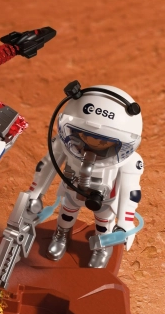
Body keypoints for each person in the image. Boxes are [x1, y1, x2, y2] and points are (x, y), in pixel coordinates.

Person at [27, 84, 143, 268]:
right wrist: (35, 193)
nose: (93, 143)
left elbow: (131, 191)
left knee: (104, 224)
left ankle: (102, 248)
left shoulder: (129, 160)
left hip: (105, 199)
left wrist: (125, 221)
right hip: (72, 190)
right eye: (86, 135)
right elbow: (47, 165)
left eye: (104, 141)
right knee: (66, 214)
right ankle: (61, 235)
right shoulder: (65, 144)